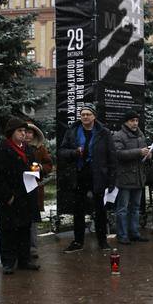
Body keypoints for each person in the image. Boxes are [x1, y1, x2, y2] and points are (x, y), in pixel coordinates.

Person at [59, 104, 116, 253]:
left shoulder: (103, 132)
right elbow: (62, 152)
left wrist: (111, 179)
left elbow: (111, 156)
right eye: (83, 114)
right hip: (78, 175)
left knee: (100, 210)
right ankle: (78, 241)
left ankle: (102, 241)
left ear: (94, 116)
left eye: (88, 114)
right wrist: (74, 152)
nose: (85, 117)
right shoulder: (72, 131)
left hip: (98, 176)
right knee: (78, 211)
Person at [0, 117, 40, 274]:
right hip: (10, 199)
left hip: (26, 196)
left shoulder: (28, 149)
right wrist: (7, 197)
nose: (24, 134)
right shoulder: (1, 151)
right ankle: (8, 262)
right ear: (11, 133)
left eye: (25, 131)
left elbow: (36, 167)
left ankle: (24, 260)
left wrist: (37, 172)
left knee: (24, 229)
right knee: (8, 231)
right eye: (20, 131)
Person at [112, 110, 150, 245]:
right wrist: (139, 152)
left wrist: (148, 154)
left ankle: (134, 233)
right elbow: (118, 154)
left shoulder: (140, 135)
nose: (135, 123)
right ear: (126, 122)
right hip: (125, 178)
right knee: (122, 209)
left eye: (136, 120)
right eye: (132, 121)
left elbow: (143, 153)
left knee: (135, 208)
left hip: (139, 177)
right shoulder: (119, 136)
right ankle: (122, 235)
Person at [24, 120, 53, 259]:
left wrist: (40, 168)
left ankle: (32, 248)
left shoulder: (40, 148)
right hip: (19, 188)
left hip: (34, 187)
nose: (27, 135)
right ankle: (21, 247)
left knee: (33, 221)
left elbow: (48, 165)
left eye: (30, 132)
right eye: (25, 132)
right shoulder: (15, 147)